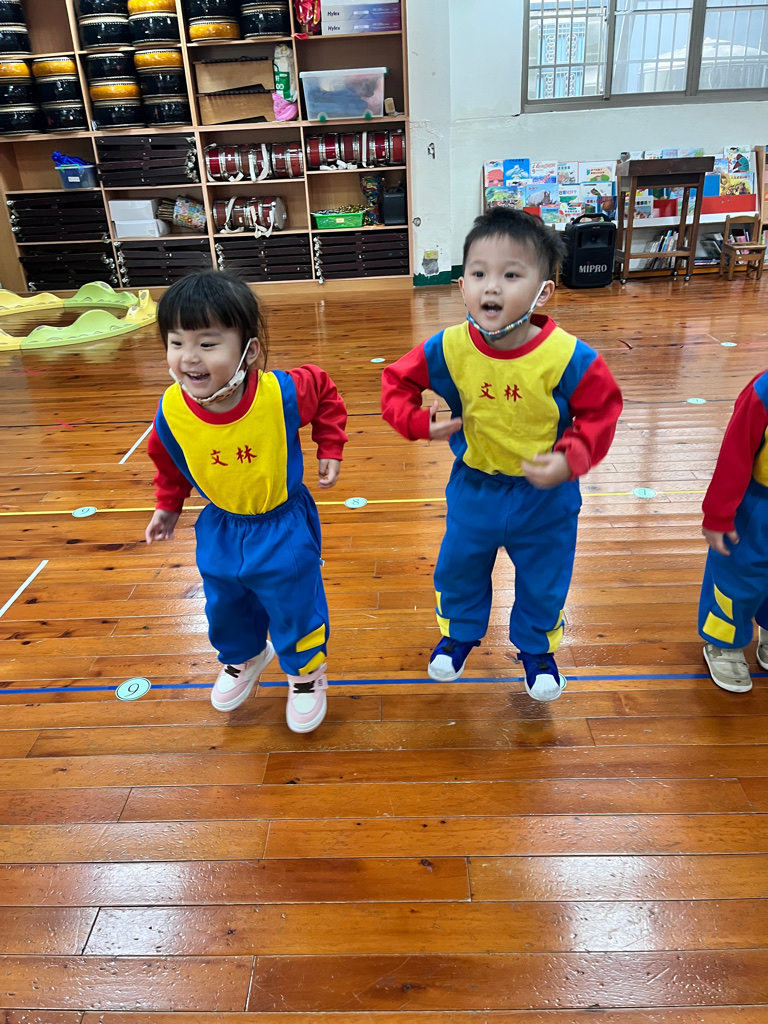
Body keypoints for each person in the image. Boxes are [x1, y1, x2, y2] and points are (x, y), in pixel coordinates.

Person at [381, 208, 622, 701]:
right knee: (458, 568)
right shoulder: (449, 347)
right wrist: (415, 420)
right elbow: (396, 383)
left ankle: (537, 651)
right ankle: (459, 635)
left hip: (547, 497)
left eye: (511, 275)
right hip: (475, 488)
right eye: (478, 273)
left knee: (545, 579)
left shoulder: (568, 356)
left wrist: (572, 456)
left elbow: (602, 410)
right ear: (461, 284)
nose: (491, 287)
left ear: (543, 291)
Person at [144, 271, 347, 733]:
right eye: (176, 342)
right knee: (224, 602)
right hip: (220, 526)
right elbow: (169, 459)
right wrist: (168, 505)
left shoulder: (280, 394)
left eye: (207, 343)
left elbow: (324, 390)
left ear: (249, 351)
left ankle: (306, 673)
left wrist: (330, 446)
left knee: (294, 604)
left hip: (281, 527)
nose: (189, 357)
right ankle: (246, 655)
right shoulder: (172, 409)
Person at [699, 371, 768, 692]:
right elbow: (735, 454)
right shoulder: (763, 390)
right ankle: (723, 643)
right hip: (759, 504)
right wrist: (718, 515)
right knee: (739, 575)